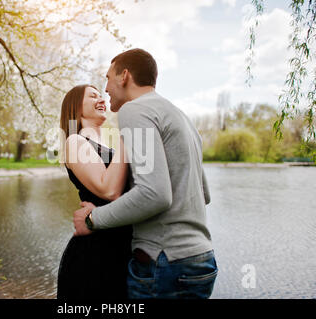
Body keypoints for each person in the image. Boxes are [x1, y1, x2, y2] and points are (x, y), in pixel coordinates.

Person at [73, 48, 218, 299]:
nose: (106, 88)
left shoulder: (135, 110)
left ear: (124, 76)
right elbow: (203, 194)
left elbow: (154, 195)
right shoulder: (181, 117)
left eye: (108, 78)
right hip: (201, 260)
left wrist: (92, 220)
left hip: (164, 263)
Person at [57, 84, 132, 299]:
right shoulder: (75, 141)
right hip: (96, 253)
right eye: (92, 96)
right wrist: (128, 132)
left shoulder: (110, 147)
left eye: (101, 95)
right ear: (76, 107)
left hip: (120, 247)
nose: (102, 99)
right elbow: (108, 189)